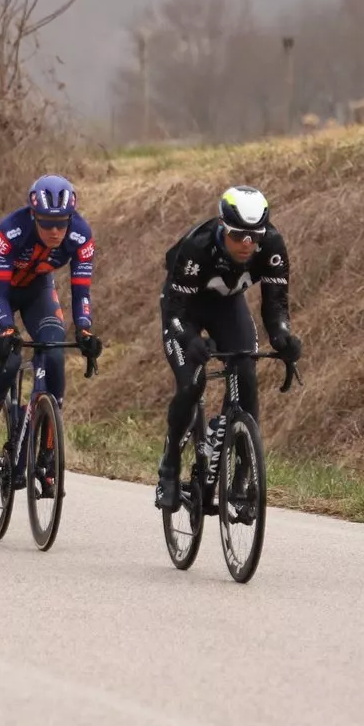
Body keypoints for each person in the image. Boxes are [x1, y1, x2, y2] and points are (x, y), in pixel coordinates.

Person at [154, 185, 301, 510]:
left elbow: (276, 305)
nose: (247, 243)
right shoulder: (197, 246)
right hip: (185, 311)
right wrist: (190, 340)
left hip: (227, 307)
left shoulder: (271, 246)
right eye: (238, 235)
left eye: (254, 236)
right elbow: (176, 312)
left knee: (245, 373)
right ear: (222, 226)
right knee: (191, 382)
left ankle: (242, 478)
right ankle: (170, 465)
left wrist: (283, 337)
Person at [0, 174, 101, 482]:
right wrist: (5, 328)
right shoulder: (12, 229)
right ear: (33, 216)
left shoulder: (81, 235)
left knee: (54, 352)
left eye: (61, 223)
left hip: (37, 290)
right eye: (47, 223)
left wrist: (84, 329)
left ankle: (48, 448)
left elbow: (81, 290)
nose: (55, 231)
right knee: (10, 358)